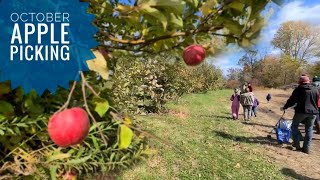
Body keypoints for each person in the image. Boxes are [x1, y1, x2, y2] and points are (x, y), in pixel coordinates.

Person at [280, 75, 319, 154]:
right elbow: (318, 101)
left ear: (300, 82)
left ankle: (297, 146)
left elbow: (292, 100)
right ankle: (306, 149)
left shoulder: (299, 89)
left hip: (301, 112)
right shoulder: (316, 89)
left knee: (294, 126)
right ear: (308, 82)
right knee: (309, 130)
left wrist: (285, 107)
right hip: (314, 113)